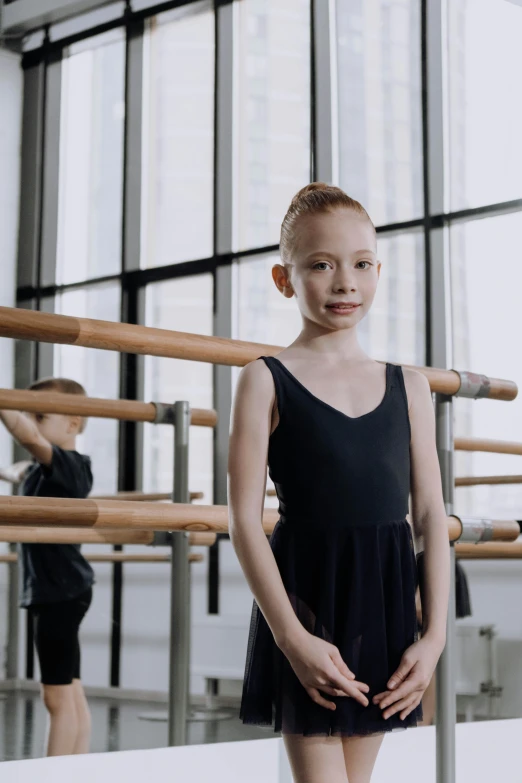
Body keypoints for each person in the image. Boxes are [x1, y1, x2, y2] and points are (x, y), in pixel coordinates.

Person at [228, 183, 450, 783]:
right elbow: (244, 520)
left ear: (378, 271)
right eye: (321, 265)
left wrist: (433, 638)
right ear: (284, 279)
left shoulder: (411, 386)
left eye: (360, 265)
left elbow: (429, 515)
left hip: (383, 598)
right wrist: (292, 638)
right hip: (306, 598)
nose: (345, 282)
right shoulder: (263, 379)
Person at [0, 377, 94, 757]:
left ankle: (52, 774)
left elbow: (29, 440)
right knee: (70, 688)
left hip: (59, 591)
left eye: (38, 415)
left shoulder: (70, 467)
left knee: (55, 697)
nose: (29, 422)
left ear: (72, 425)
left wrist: (6, 403)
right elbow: (18, 468)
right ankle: (78, 768)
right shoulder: (42, 472)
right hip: (62, 589)